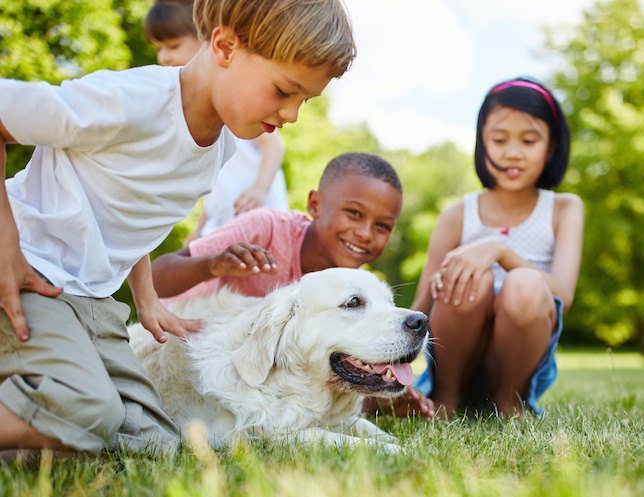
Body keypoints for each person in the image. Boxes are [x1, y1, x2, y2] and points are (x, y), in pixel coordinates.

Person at [0, 0, 355, 458]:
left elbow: (130, 213)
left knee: (158, 444)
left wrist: (146, 299)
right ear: (226, 46)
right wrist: (7, 242)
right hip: (30, 274)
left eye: (304, 100)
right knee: (87, 409)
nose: (291, 115)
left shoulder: (220, 146)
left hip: (91, 301)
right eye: (285, 91)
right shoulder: (132, 102)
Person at [151, 153, 435, 419]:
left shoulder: (349, 282)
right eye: (354, 213)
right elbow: (155, 277)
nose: (364, 234)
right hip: (185, 352)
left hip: (254, 378)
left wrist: (384, 384)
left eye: (382, 226)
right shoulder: (266, 227)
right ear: (315, 205)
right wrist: (212, 264)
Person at [409, 77, 584, 418]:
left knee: (525, 283)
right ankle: (445, 399)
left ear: (550, 147)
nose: (513, 152)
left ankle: (510, 403)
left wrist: (500, 252)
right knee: (472, 277)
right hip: (456, 356)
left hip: (517, 360)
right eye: (499, 139)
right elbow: (421, 305)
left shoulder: (564, 208)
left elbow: (564, 293)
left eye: (529, 140)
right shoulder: (457, 214)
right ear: (482, 143)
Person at [144, 0, 289, 241]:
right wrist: (200, 228)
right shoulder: (188, 111)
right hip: (224, 220)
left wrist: (260, 188)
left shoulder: (235, 99)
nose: (163, 57)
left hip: (260, 213)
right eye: (158, 48)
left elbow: (273, 145)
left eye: (172, 46)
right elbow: (212, 181)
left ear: (207, 40)